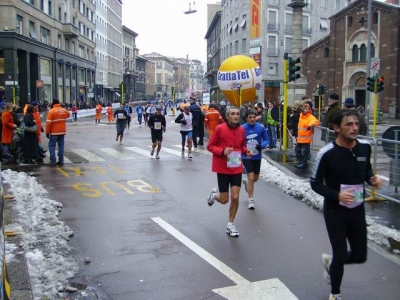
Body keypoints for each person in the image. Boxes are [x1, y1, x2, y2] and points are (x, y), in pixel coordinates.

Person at [310, 110, 383, 300]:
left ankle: (331, 262)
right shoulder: (327, 153)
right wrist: (337, 196)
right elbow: (314, 183)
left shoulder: (365, 148)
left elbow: (365, 170)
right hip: (335, 211)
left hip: (357, 209)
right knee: (341, 254)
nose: (355, 128)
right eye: (349, 124)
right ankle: (335, 293)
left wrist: (371, 180)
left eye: (356, 124)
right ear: (336, 128)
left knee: (360, 256)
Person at [207, 106, 252, 237]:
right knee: (224, 199)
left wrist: (246, 151)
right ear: (227, 116)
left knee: (236, 196)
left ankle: (230, 224)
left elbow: (242, 146)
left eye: (237, 114)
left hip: (236, 167)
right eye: (232, 114)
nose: (235, 116)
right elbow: (210, 146)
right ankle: (214, 195)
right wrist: (222, 151)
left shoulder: (241, 129)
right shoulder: (219, 129)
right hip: (222, 168)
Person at [241, 109, 269, 209]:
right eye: (250, 117)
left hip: (257, 156)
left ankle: (247, 183)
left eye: (253, 117)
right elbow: (239, 142)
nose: (252, 119)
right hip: (246, 156)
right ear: (246, 118)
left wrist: (262, 145)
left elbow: (266, 139)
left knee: (255, 178)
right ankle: (251, 200)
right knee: (251, 176)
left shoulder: (260, 127)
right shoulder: (242, 128)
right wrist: (243, 150)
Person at [295, 100, 320, 169]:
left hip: (306, 138)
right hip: (300, 137)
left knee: (305, 151)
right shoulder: (301, 115)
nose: (305, 109)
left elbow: (316, 122)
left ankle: (303, 163)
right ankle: (300, 162)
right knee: (297, 149)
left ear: (309, 109)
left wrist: (311, 125)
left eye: (307, 108)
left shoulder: (310, 116)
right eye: (304, 107)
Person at [45, 99, 70, 166]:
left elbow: (49, 123)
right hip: (62, 131)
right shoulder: (64, 110)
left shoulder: (51, 111)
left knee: (52, 145)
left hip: (54, 132)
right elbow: (68, 115)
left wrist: (47, 132)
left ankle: (53, 160)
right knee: (61, 145)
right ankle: (61, 160)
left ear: (53, 104)